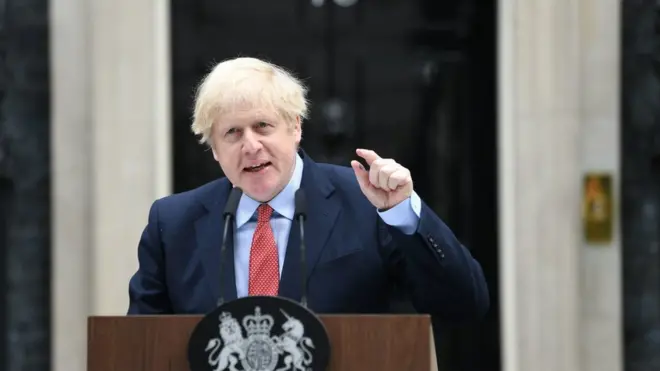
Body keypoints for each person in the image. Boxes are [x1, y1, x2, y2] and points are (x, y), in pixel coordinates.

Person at [127, 57, 489, 321]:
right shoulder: (173, 223)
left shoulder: (366, 202)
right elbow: (140, 346)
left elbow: (464, 304)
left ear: (295, 127)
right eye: (232, 133)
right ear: (215, 150)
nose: (250, 146)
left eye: (263, 126)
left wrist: (403, 214)